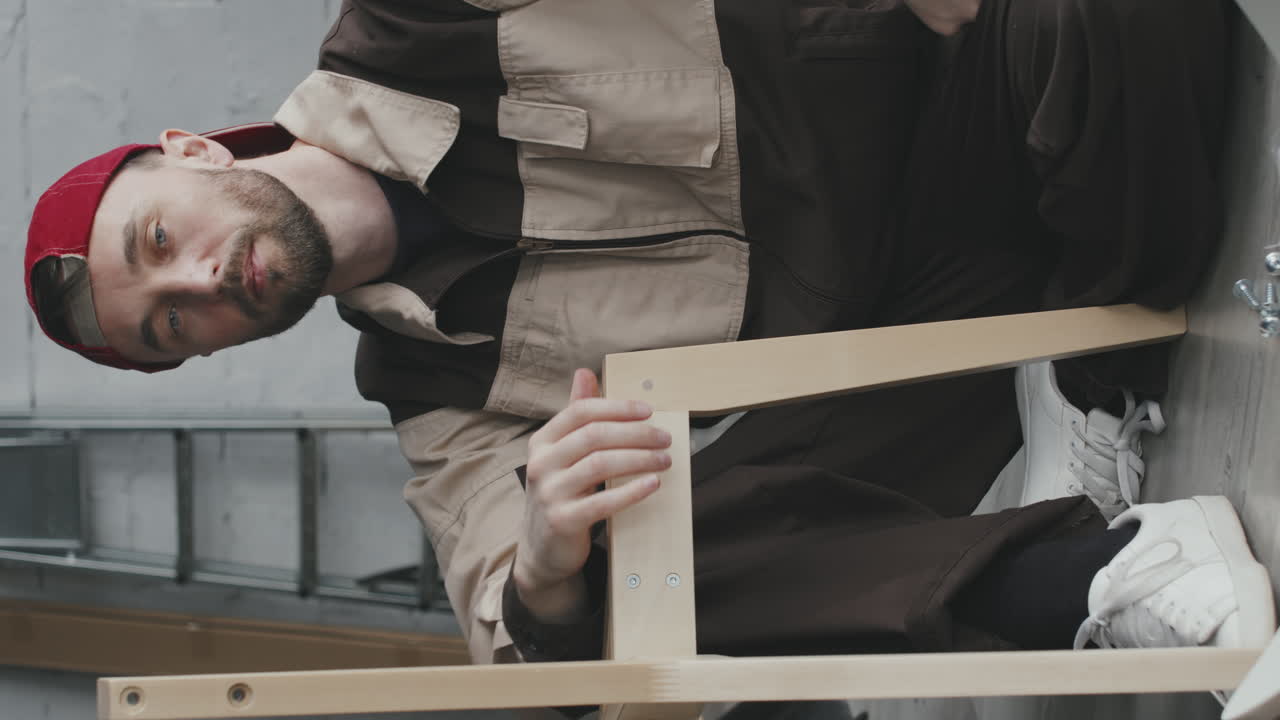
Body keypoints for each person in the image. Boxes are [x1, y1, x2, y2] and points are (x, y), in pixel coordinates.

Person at [21, 0, 1277, 683]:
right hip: (917, 351)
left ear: (186, 151)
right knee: (615, 588)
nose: (200, 281)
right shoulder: (425, 378)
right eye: (172, 325)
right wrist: (553, 554)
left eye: (158, 242)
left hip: (976, 90)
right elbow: (503, 616)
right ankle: (1112, 577)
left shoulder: (421, 22)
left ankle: (1096, 382)